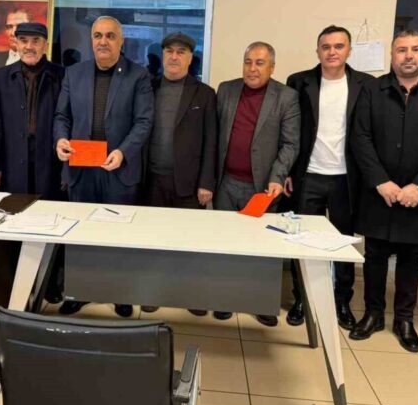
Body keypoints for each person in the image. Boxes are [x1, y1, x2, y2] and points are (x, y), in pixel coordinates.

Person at [350, 30, 418, 352]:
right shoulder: (372, 89)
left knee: (411, 257)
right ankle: (373, 314)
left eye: (415, 49)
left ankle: (404, 319)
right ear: (392, 55)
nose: (408, 55)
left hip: (417, 193)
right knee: (374, 255)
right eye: (401, 50)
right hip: (378, 190)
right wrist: (380, 181)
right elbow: (360, 137)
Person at [54, 16, 154, 317]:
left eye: (110, 36)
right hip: (81, 169)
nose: (103, 41)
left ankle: (119, 293)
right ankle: (79, 292)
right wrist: (60, 140)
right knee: (80, 236)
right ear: (91, 40)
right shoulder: (74, 73)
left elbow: (143, 122)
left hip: (118, 170)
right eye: (98, 35)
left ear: (121, 41)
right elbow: (62, 116)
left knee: (117, 237)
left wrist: (123, 152)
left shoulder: (138, 76)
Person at [282, 25, 372, 331]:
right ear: (318, 50)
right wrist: (289, 171)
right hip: (308, 176)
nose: (332, 52)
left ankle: (342, 300)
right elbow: (290, 131)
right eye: (326, 46)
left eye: (338, 46)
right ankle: (302, 299)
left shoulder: (366, 84)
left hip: (347, 178)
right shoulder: (299, 81)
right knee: (303, 242)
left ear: (349, 50)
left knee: (343, 243)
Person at [214, 41, 300, 325]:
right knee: (226, 244)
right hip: (226, 183)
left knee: (263, 249)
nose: (252, 68)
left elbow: (290, 144)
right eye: (248, 62)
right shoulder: (226, 90)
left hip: (262, 187)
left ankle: (262, 303)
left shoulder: (286, 97)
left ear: (272, 67)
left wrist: (278, 176)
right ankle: (225, 299)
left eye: (260, 63)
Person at [142, 32, 217, 316]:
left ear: (190, 58)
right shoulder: (147, 87)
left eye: (181, 52)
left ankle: (192, 293)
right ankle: (154, 291)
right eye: (169, 51)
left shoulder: (205, 94)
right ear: (163, 55)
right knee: (153, 240)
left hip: (189, 183)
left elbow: (211, 141)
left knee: (190, 241)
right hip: (152, 179)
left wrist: (206, 182)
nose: (174, 57)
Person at [0, 22, 65, 199]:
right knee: (14, 210)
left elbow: (67, 121)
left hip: (51, 165)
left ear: (46, 45)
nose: (29, 46)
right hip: (12, 164)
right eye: (23, 40)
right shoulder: (1, 77)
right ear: (16, 44)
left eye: (36, 41)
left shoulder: (63, 76)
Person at [0, 8, 32, 74]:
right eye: (9, 27)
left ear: (32, 29)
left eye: (20, 27)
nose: (13, 33)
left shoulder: (39, 63)